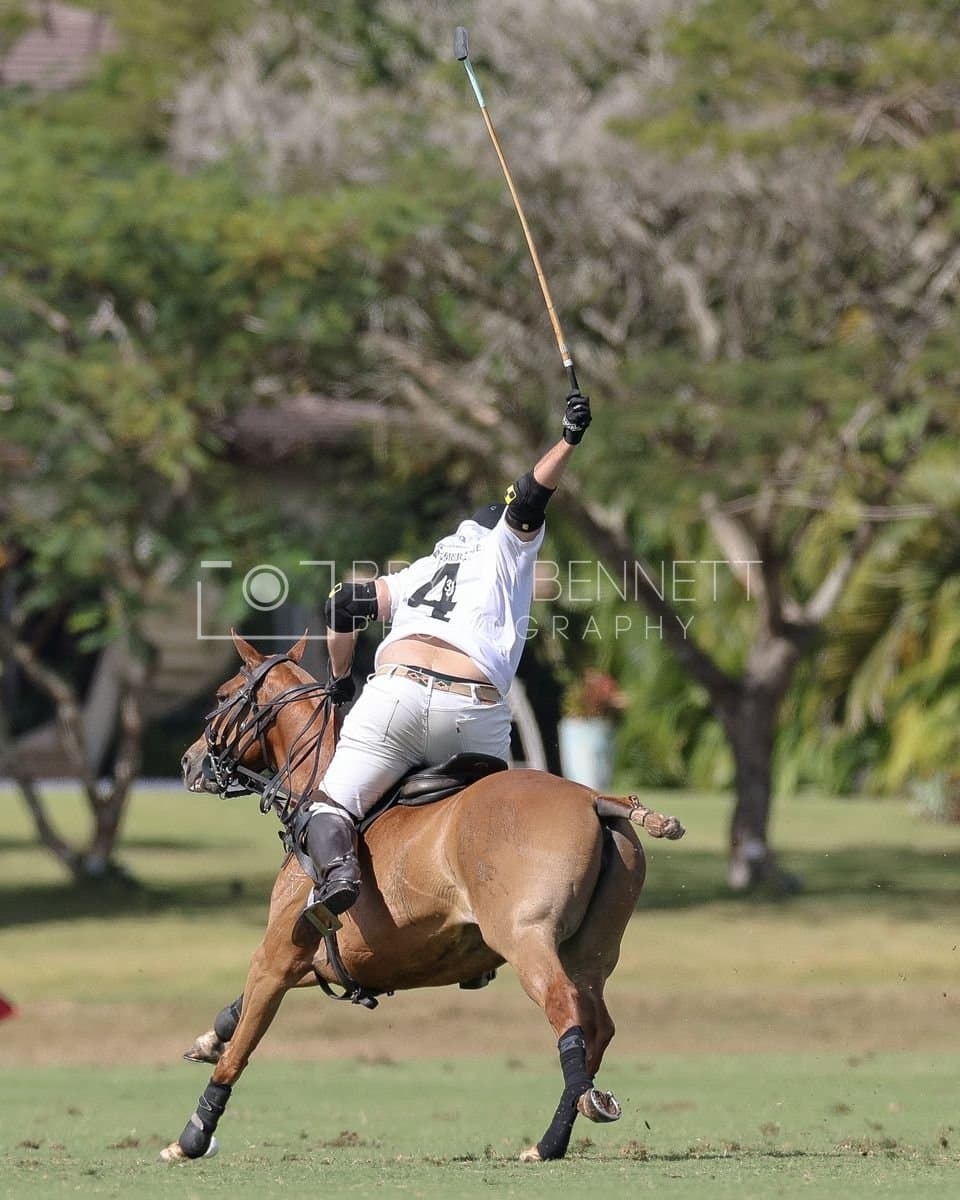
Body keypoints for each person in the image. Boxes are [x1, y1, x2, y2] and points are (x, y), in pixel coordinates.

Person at [296, 390, 592, 924]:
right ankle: (482, 936)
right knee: (498, 831)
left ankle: (339, 878)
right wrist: (568, 439)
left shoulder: (425, 568)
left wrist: (340, 680)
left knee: (328, 806)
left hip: (395, 699)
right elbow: (528, 497)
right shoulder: (505, 545)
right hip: (472, 711)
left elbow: (344, 604)